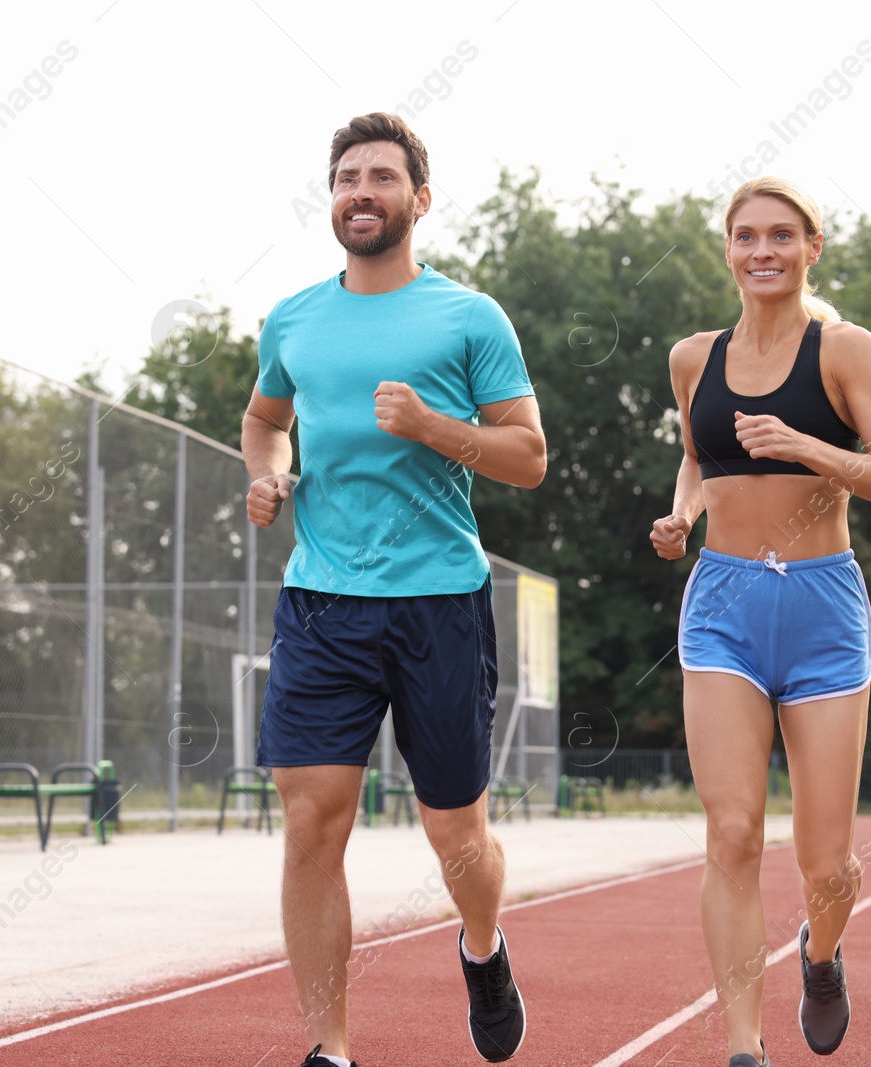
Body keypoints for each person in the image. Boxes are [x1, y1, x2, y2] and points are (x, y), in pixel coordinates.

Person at [242, 112, 546, 1067]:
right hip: (322, 604)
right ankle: (329, 1050)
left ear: (420, 198)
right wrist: (268, 470)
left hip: (439, 601)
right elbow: (264, 416)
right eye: (344, 177)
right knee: (308, 822)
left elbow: (529, 457)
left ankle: (483, 946)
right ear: (331, 199)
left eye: (380, 176)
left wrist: (431, 426)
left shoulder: (469, 317)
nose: (359, 191)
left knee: (457, 836)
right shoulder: (293, 318)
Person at [650, 177, 871, 1067]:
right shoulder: (693, 357)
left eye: (780, 236)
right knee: (730, 832)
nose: (762, 251)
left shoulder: (845, 351)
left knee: (826, 863)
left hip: (821, 607)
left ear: (812, 246)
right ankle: (741, 1047)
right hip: (722, 604)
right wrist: (682, 517)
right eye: (745, 236)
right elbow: (697, 459)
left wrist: (806, 444)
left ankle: (823, 952)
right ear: (727, 250)